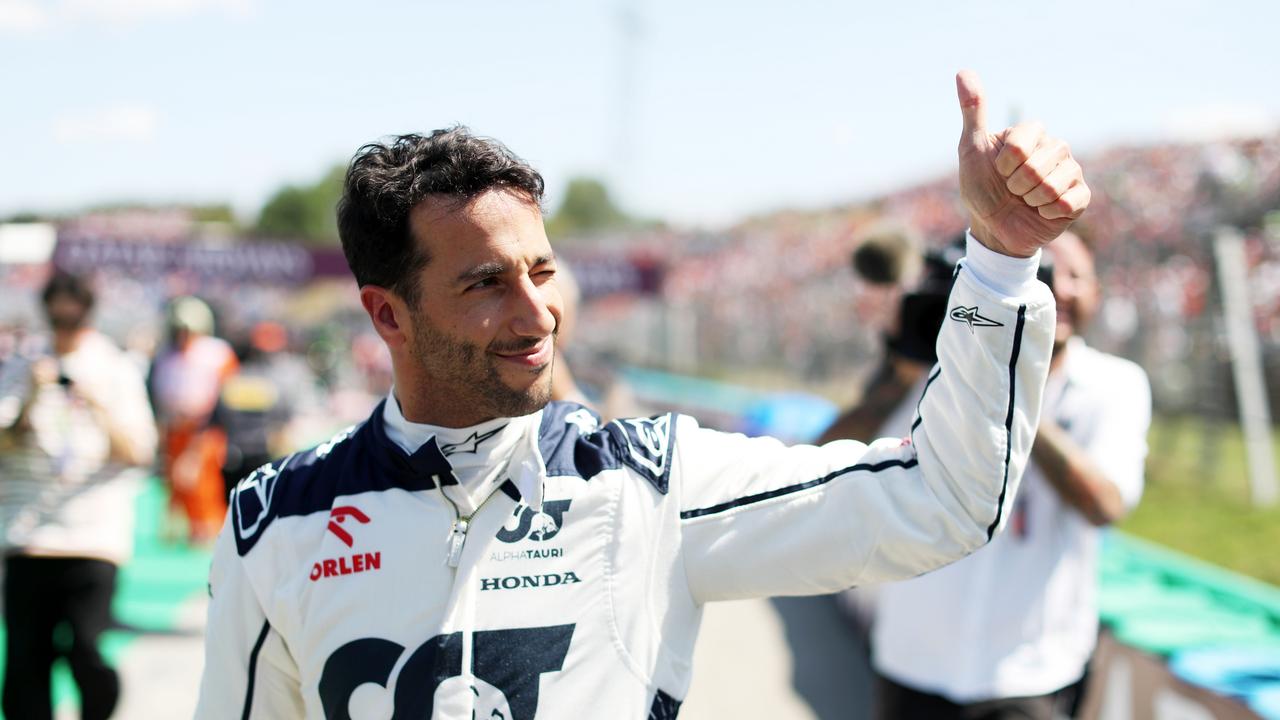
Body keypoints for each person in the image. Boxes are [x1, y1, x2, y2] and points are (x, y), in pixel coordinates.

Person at [195, 70, 1089, 718]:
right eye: (485, 284)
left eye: (542, 270)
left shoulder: (649, 482)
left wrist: (1000, 264)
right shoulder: (276, 521)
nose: (537, 311)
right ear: (388, 315)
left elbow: (941, 503)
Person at [864, 230, 1152, 719]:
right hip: (913, 661)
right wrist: (907, 365)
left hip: (1030, 673)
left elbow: (1105, 504)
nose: (1057, 289)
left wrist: (1011, 380)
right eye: (1041, 272)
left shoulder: (1114, 385)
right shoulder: (944, 368)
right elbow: (833, 451)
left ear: (1097, 292)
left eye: (1073, 276)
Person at [0, 271, 157, 720]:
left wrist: (96, 402)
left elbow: (141, 450)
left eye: (73, 314)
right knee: (27, 659)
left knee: (87, 648)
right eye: (57, 314)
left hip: (94, 533)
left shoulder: (115, 368)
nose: (65, 323)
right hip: (28, 532)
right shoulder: (24, 365)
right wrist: (31, 395)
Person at [149, 295, 238, 543]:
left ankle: (210, 533)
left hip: (207, 430)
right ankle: (186, 529)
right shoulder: (165, 356)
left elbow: (224, 400)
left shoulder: (217, 354)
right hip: (175, 429)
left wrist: (201, 437)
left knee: (201, 482)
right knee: (176, 483)